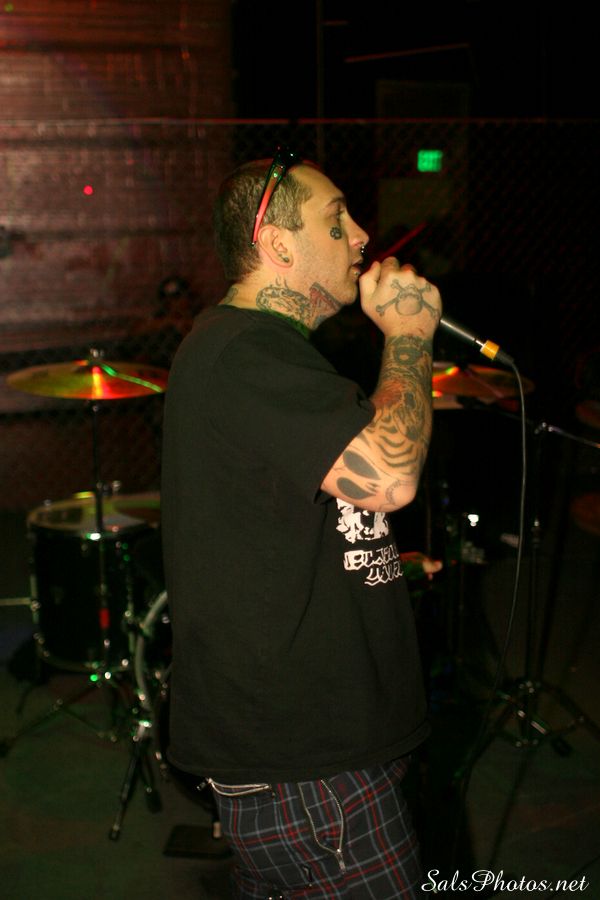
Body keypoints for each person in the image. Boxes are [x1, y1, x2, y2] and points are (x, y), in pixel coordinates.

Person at [161, 147, 442, 899]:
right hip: (309, 769)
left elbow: (281, 524)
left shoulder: (260, 354)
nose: (362, 237)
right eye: (337, 220)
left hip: (310, 761)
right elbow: (389, 475)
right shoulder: (243, 351)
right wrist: (409, 336)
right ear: (279, 245)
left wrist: (390, 569)